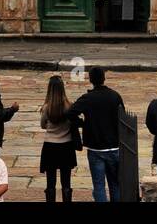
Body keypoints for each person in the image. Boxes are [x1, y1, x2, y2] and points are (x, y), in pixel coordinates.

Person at [67, 65, 123, 203]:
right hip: (114, 147)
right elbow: (123, 118)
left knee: (99, 186)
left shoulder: (88, 98)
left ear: (91, 80)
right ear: (104, 78)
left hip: (95, 148)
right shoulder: (115, 96)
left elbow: (70, 112)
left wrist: (83, 123)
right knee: (115, 185)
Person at [39, 74, 77, 203]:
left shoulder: (46, 107)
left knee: (51, 181)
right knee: (66, 181)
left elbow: (43, 125)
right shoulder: (69, 106)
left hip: (50, 146)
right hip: (66, 146)